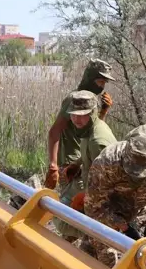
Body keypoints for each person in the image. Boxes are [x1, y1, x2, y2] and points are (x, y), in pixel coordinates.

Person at [82, 125, 146, 267]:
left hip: (142, 213)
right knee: (109, 264)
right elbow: (94, 207)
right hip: (108, 216)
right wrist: (123, 227)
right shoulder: (106, 162)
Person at [49, 91, 117, 243]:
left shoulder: (97, 140)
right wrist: (77, 164)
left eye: (82, 115)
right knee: (62, 215)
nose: (76, 119)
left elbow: (108, 181)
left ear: (93, 113)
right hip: (91, 189)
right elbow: (91, 157)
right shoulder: (88, 129)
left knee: (66, 221)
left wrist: (86, 197)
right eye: (73, 114)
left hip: (102, 199)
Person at [45, 59, 116, 189]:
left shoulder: (93, 100)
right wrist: (53, 166)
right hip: (70, 163)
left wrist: (104, 111)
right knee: (70, 203)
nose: (101, 87)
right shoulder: (74, 99)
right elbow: (55, 131)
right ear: (90, 78)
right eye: (100, 81)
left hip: (84, 161)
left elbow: (93, 129)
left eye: (104, 83)